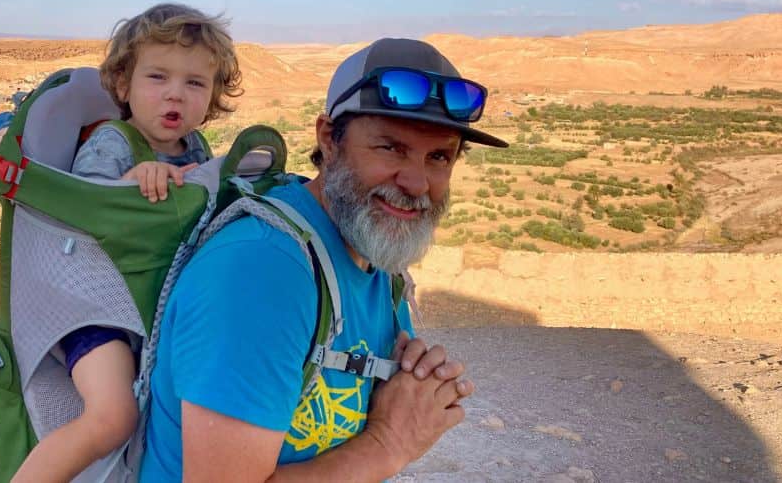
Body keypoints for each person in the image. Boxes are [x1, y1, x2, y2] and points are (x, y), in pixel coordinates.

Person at [141, 37, 508, 481]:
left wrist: (410, 386)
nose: (416, 182)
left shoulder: (373, 257)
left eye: (438, 157)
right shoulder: (261, 271)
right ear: (328, 140)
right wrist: (389, 442)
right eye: (391, 148)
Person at [13, 3, 242, 483]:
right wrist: (132, 181)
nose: (174, 94)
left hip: (149, 306)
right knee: (114, 416)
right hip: (93, 308)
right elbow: (88, 209)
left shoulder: (196, 150)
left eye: (195, 83)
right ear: (124, 85)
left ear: (214, 96)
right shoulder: (113, 144)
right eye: (157, 77)